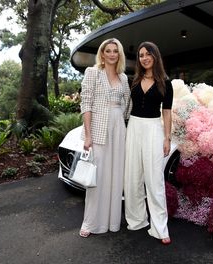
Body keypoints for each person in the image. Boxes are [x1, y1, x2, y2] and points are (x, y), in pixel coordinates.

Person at [79, 38, 131, 237]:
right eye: (107, 50)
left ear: (119, 54)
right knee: (97, 177)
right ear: (102, 53)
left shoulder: (124, 77)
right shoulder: (92, 73)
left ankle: (112, 222)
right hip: (98, 130)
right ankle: (90, 223)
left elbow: (128, 104)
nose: (111, 54)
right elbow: (86, 103)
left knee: (116, 176)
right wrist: (88, 135)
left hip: (118, 129)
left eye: (115, 51)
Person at [124, 41, 173, 245]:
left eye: (148, 54)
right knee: (133, 177)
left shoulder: (165, 82)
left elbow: (167, 112)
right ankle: (137, 220)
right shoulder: (133, 81)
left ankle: (160, 228)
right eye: (141, 55)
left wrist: (167, 138)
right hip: (134, 128)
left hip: (154, 129)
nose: (144, 58)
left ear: (155, 56)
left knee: (155, 180)